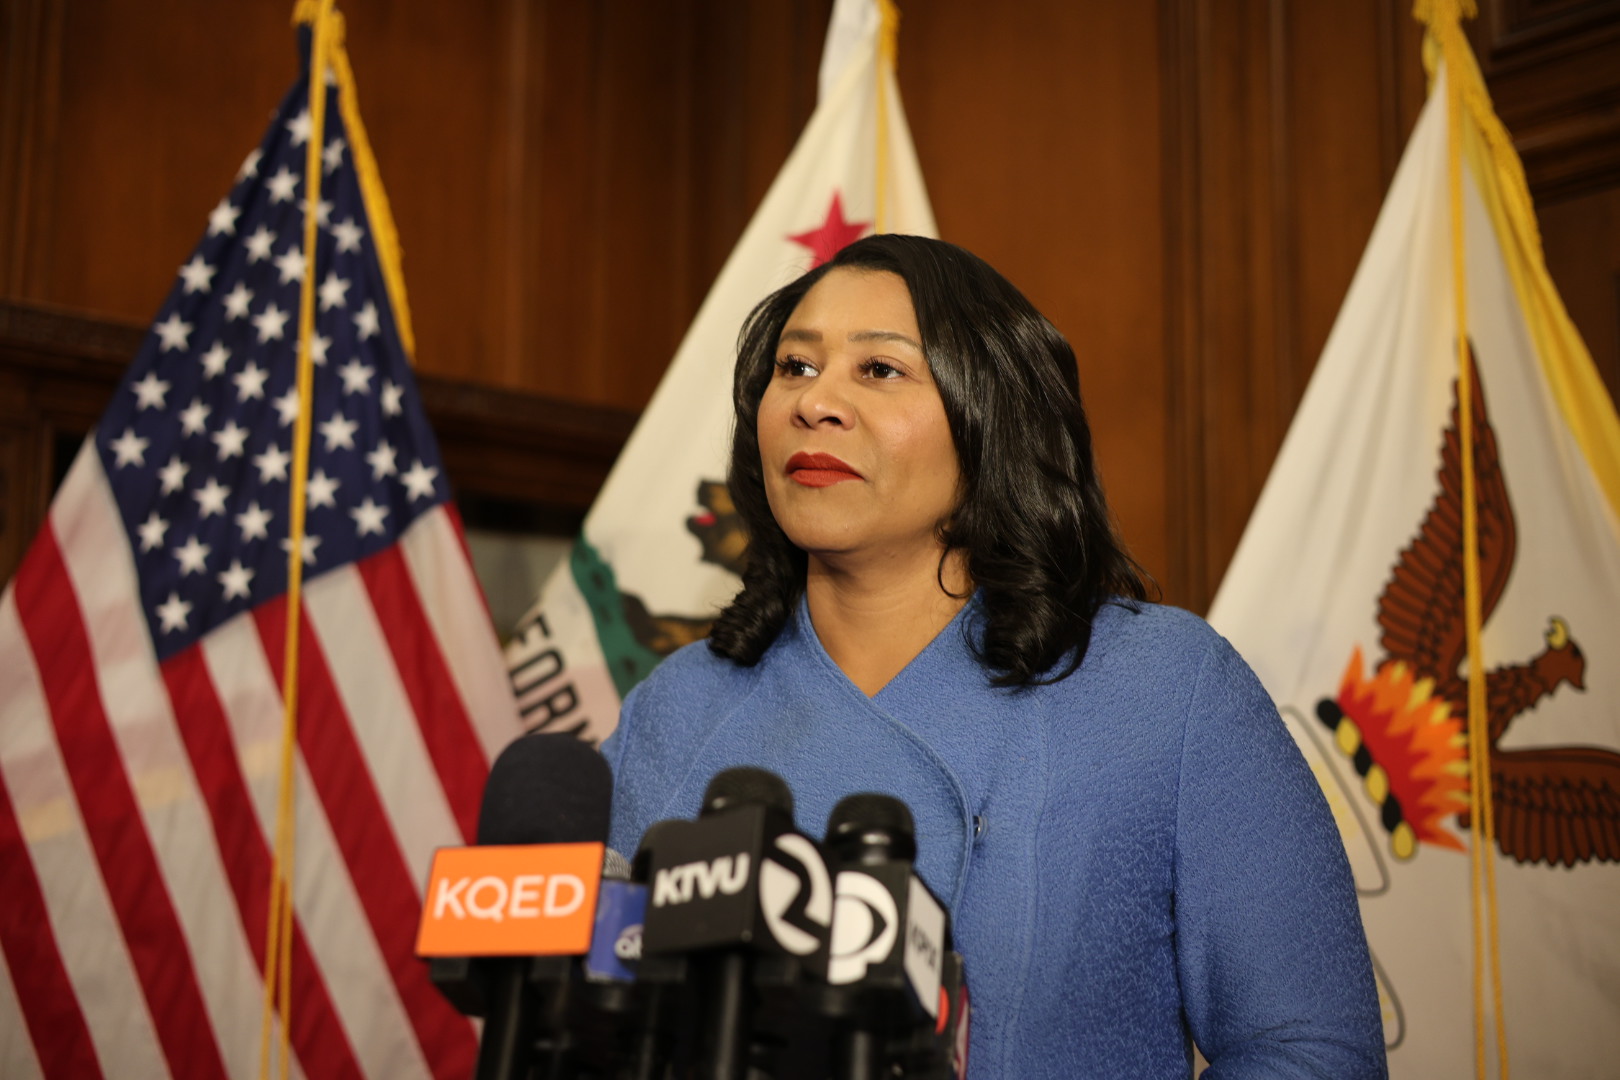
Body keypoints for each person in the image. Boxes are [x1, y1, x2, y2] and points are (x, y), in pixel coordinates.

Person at [601, 234, 1387, 1078]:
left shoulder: (1165, 687)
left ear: (991, 418)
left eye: (880, 370)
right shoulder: (676, 706)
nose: (814, 402)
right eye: (794, 367)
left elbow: (1309, 1053)